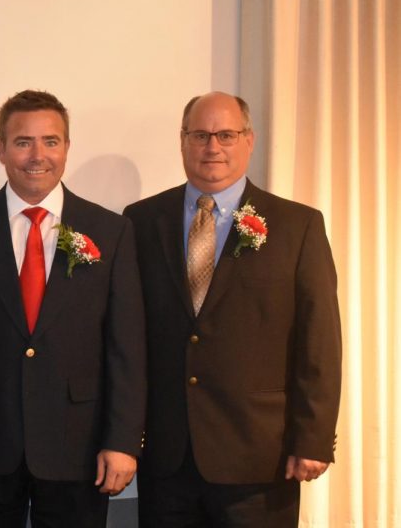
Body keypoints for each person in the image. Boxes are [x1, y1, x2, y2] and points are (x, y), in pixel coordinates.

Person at [0, 90, 146, 527]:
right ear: (2, 150)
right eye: (23, 142)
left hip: (80, 448)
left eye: (50, 141)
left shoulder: (111, 230)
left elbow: (127, 348)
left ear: (66, 148)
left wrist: (122, 441)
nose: (37, 155)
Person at [123, 91, 342, 527]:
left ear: (249, 140)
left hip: (260, 457)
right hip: (167, 458)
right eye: (200, 134)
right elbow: (128, 336)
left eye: (226, 134)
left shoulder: (297, 225)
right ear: (183, 140)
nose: (212, 147)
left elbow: (319, 341)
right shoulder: (141, 221)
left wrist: (313, 438)